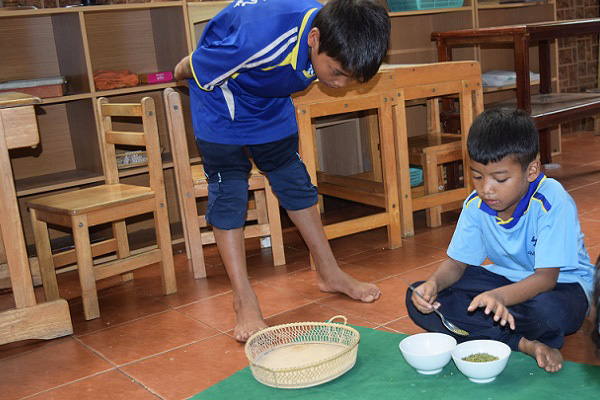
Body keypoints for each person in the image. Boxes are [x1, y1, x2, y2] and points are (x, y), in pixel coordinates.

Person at [173, 0, 391, 342]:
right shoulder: (258, 40)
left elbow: (315, 69)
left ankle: (330, 273)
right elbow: (187, 68)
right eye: (336, 72)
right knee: (229, 192)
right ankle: (243, 297)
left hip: (268, 100)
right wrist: (185, 78)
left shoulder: (332, 32)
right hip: (221, 99)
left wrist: (331, 71)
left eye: (351, 79)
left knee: (294, 181)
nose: (340, 85)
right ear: (314, 39)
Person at [406, 108, 595, 372]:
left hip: (563, 285)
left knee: (549, 313)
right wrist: (432, 284)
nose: (486, 189)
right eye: (477, 176)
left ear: (531, 171)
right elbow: (457, 264)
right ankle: (525, 343)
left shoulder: (552, 200)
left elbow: (546, 278)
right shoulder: (475, 205)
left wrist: (498, 297)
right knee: (419, 298)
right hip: (504, 282)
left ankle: (491, 329)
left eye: (500, 178)